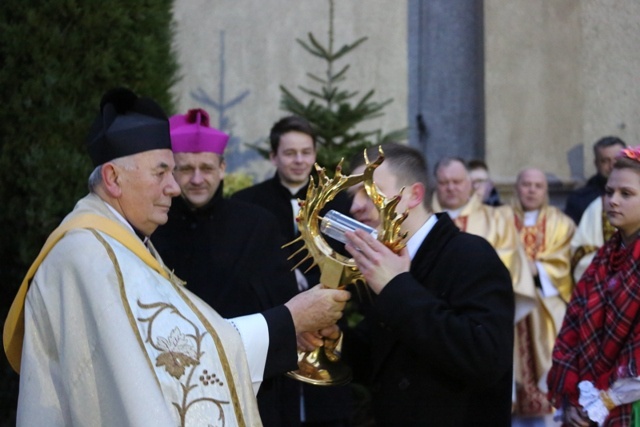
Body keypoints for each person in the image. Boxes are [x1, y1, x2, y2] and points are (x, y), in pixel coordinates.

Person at [2, 88, 350, 427]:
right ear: (113, 178)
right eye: (162, 172)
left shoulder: (118, 239)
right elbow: (177, 359)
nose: (175, 186)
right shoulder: (89, 257)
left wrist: (296, 325)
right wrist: (289, 320)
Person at [338, 142, 514, 425]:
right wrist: (333, 338)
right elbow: (381, 360)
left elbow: (486, 359)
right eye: (352, 194)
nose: (356, 205)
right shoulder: (384, 262)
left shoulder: (471, 255)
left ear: (414, 195)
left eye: (369, 190)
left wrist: (397, 288)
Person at [152, 108, 302, 426]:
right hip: (170, 383)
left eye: (206, 168)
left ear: (222, 168)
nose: (196, 179)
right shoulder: (152, 227)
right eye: (186, 169)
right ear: (172, 172)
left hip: (249, 379)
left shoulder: (257, 224)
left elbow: (284, 308)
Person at [232, 115, 352, 427]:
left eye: (306, 152)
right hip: (273, 330)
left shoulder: (341, 204)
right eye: (289, 153)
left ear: (314, 154)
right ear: (274, 156)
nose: (299, 160)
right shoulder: (246, 205)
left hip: (327, 333)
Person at [547, 146, 640, 426]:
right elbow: (572, 327)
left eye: (626, 194)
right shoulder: (603, 257)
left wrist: (603, 401)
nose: (612, 201)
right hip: (587, 402)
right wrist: (575, 398)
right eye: (609, 192)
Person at [498, 168, 575, 425]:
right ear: (517, 188)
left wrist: (538, 269)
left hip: (546, 310)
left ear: (546, 191)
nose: (531, 190)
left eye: (537, 185)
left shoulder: (561, 222)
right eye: (526, 184)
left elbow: (567, 262)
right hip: (509, 306)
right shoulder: (500, 219)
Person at [432, 157, 537, 323]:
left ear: (470, 183)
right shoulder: (423, 219)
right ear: (436, 184)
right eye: (444, 182)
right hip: (432, 309)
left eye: (456, 182)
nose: (450, 188)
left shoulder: (496, 218)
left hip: (482, 308)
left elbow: (510, 258)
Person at [564, 136, 627, 225]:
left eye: (617, 160)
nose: (612, 166)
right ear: (596, 163)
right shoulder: (579, 200)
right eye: (605, 161)